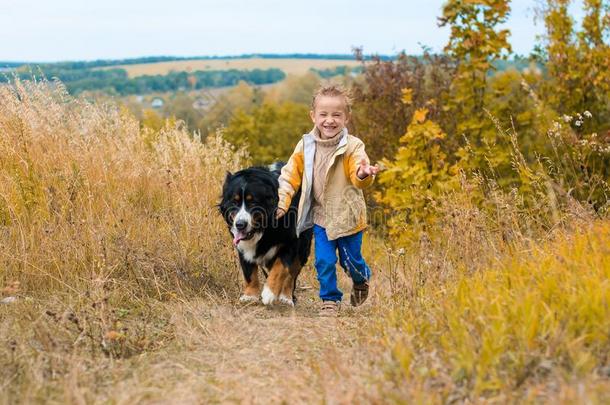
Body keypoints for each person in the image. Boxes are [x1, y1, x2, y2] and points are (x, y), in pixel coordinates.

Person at [275, 84, 379, 316]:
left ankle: (361, 280)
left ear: (346, 117)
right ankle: (329, 300)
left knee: (351, 263)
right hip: (321, 217)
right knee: (324, 261)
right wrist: (282, 202)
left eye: (336, 115)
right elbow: (290, 175)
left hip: (348, 216)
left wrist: (362, 174)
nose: (329, 120)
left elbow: (358, 173)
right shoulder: (305, 145)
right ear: (313, 116)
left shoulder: (353, 146)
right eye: (323, 114)